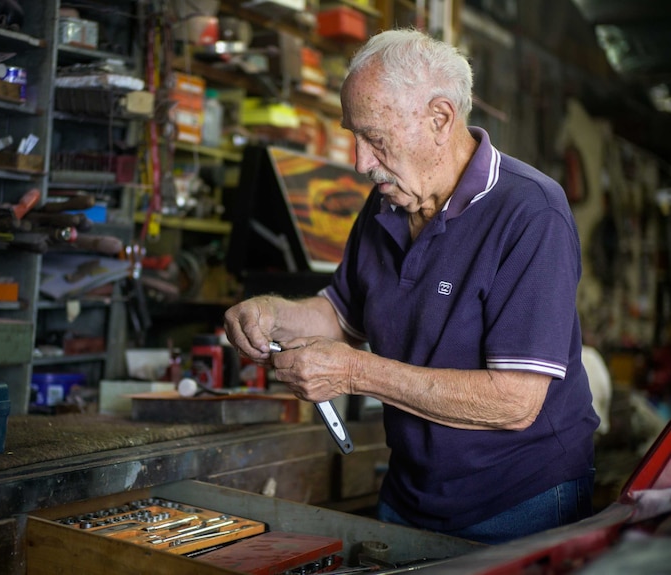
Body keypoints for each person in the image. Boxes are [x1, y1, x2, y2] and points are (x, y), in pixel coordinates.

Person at [223, 28, 599, 545]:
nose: (359, 161)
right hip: (410, 489)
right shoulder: (388, 201)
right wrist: (271, 313)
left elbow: (514, 402)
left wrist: (354, 371)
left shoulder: (532, 211)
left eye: (374, 138)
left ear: (440, 119)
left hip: (519, 498)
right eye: (353, 136)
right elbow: (343, 315)